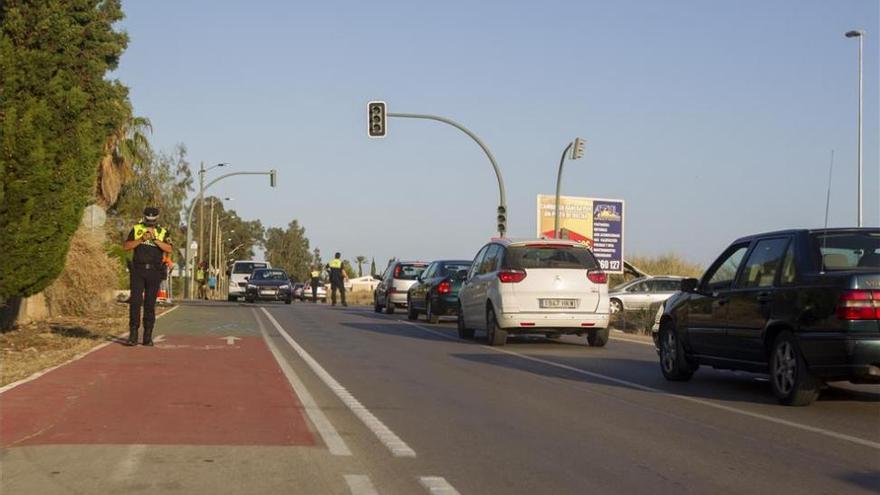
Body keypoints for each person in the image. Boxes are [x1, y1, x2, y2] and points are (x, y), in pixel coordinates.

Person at [123, 207, 173, 346]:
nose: (150, 222)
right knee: (135, 302)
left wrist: (155, 239)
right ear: (144, 217)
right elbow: (126, 246)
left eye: (153, 220)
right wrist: (141, 239)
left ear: (157, 219)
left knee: (150, 304)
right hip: (138, 270)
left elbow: (169, 248)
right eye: (148, 219)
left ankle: (147, 336)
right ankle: (133, 335)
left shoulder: (163, 231)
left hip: (154, 271)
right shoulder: (137, 228)